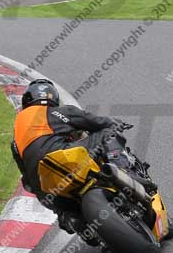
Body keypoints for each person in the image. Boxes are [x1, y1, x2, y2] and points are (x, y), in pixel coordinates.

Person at [12, 80, 138, 237]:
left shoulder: (15, 138)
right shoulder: (58, 112)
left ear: (27, 101)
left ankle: (70, 218)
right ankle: (123, 168)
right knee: (109, 133)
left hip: (44, 184)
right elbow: (96, 122)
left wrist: (56, 207)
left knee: (50, 198)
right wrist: (115, 123)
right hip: (64, 157)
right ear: (54, 98)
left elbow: (27, 180)